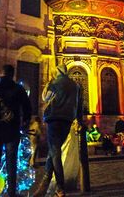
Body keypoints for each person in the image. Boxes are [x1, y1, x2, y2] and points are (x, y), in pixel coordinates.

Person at [0, 64, 31, 197]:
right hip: (12, 129)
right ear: (12, 74)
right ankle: (11, 192)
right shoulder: (19, 89)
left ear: (0, 73)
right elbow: (27, 109)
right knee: (11, 162)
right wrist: (24, 122)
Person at [33, 64, 80, 197]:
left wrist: (48, 84)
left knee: (55, 152)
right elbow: (79, 104)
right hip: (67, 120)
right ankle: (45, 183)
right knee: (54, 152)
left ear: (57, 71)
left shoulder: (55, 82)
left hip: (54, 118)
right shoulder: (75, 85)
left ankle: (60, 187)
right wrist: (79, 120)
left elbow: (45, 97)